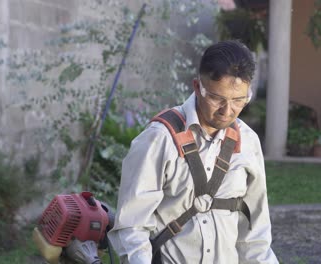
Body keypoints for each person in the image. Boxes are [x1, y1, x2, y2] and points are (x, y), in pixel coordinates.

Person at [108, 40, 279, 263]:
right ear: (198, 87)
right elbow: (132, 227)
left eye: (239, 100)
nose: (228, 111)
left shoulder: (248, 142)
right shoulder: (159, 138)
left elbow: (255, 236)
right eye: (217, 98)